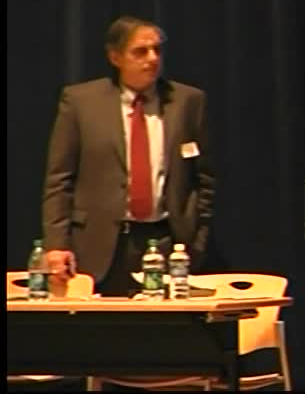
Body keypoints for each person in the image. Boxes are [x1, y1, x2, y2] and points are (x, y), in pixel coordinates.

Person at [42, 15, 215, 297]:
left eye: (157, 50)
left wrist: (198, 236)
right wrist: (56, 244)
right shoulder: (81, 102)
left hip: (168, 243)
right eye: (140, 51)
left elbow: (204, 177)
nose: (152, 58)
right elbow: (59, 179)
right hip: (100, 244)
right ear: (115, 57)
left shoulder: (187, 101)